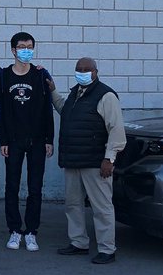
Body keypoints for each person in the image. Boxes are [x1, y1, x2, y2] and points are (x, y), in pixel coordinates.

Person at [51, 57, 125, 264]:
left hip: (95, 162)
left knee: (101, 207)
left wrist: (109, 158)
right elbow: (64, 110)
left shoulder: (106, 95)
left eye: (87, 69)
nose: (82, 72)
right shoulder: (76, 93)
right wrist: (52, 91)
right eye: (79, 69)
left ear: (95, 72)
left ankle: (107, 249)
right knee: (73, 204)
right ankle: (78, 243)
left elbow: (116, 130)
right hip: (74, 160)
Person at [0, 32, 54, 252]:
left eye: (29, 46)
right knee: (11, 186)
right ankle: (14, 230)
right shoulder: (3, 76)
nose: (26, 50)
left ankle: (31, 232)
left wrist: (49, 138)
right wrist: (3, 138)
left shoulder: (40, 75)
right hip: (13, 140)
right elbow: (0, 111)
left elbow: (47, 108)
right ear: (13, 50)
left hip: (38, 140)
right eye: (22, 47)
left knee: (35, 188)